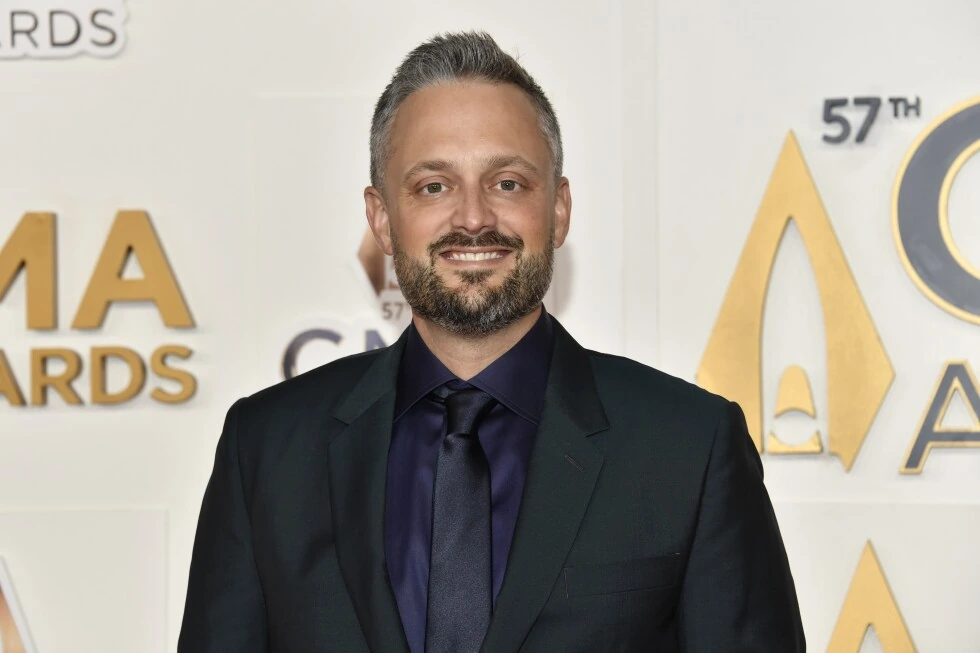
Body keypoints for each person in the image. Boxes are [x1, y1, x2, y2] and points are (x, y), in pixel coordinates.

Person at [178, 31, 805, 653]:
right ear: (381, 219)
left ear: (558, 211)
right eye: (433, 186)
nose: (473, 217)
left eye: (507, 183)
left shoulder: (688, 448)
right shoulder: (267, 450)